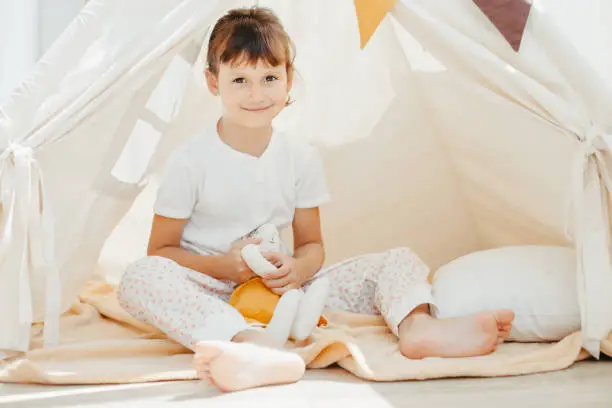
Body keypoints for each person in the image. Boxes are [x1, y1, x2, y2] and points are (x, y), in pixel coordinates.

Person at [117, 7, 515, 393]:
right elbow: (162, 251)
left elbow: (311, 244)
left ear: (288, 79)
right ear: (212, 82)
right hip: (208, 288)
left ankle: (417, 328)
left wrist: (296, 269)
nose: (257, 93)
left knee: (397, 260)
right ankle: (250, 345)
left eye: (269, 77)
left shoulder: (299, 158)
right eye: (240, 80)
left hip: (285, 292)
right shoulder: (190, 161)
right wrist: (226, 267)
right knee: (139, 277)